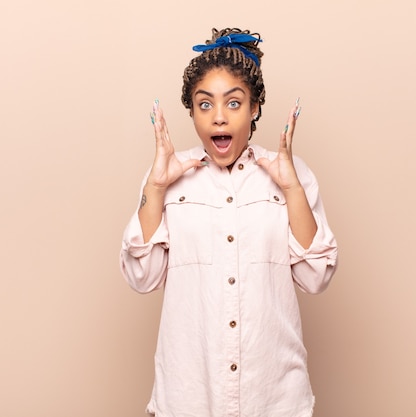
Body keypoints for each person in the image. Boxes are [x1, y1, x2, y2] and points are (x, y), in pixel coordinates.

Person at [120, 27, 338, 417]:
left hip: (274, 399)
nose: (218, 118)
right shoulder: (167, 178)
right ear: (191, 111)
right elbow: (143, 277)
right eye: (205, 105)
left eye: (233, 103)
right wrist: (155, 187)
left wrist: (291, 189)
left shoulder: (292, 174)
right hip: (189, 398)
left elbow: (316, 277)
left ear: (254, 108)